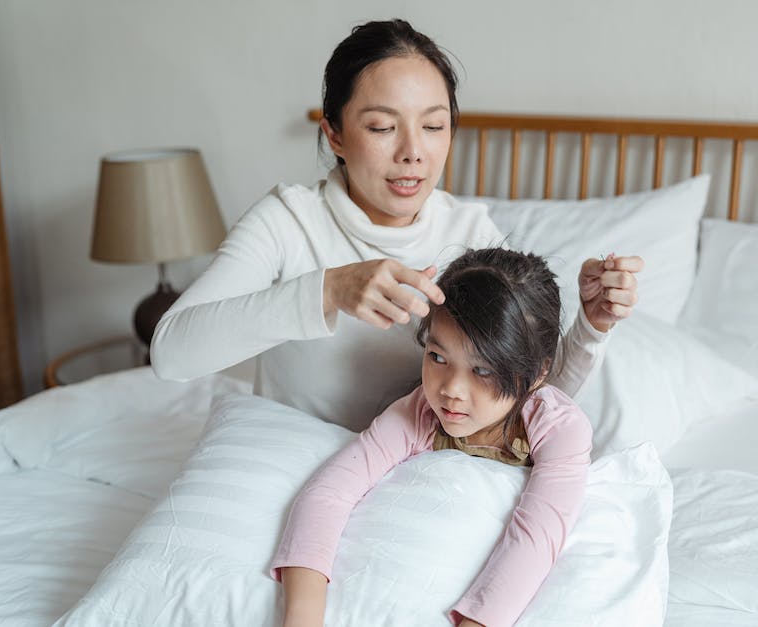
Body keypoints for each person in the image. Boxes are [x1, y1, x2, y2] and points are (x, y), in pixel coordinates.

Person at [150, 19, 642, 430]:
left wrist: (592, 328)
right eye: (383, 127)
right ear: (335, 135)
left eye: (432, 126)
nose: (412, 152)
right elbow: (171, 354)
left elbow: (525, 401)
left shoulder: (469, 233)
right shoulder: (288, 221)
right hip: (292, 461)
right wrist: (328, 290)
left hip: (415, 478)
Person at [272, 247, 593, 627]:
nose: (451, 390)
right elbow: (330, 492)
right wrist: (303, 616)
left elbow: (534, 541)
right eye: (438, 358)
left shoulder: (555, 426)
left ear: (537, 373)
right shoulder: (421, 410)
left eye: (483, 370)